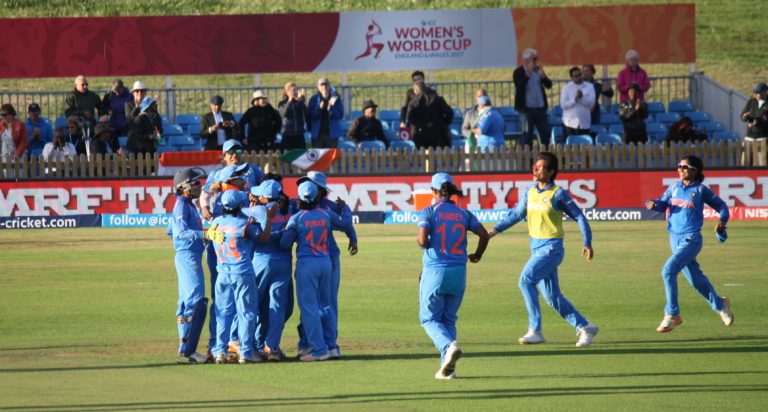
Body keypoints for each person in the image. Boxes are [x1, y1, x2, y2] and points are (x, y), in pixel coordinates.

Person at [489, 152, 599, 347]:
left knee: (525, 280)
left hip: (552, 248)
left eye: (540, 168)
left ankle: (535, 330)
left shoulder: (557, 194)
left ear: (551, 172)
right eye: (535, 166)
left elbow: (580, 217)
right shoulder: (530, 192)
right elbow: (515, 214)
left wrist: (587, 242)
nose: (535, 170)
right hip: (536, 248)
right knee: (552, 297)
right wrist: (495, 230)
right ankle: (585, 326)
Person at [645, 155, 733, 333]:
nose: (680, 169)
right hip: (674, 238)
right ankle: (720, 304)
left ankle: (672, 314)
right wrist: (652, 204)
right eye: (679, 166)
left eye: (685, 167)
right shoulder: (673, 187)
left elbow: (722, 206)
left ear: (695, 171)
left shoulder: (700, 190)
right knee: (695, 280)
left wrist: (722, 222)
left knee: (668, 270)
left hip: (691, 238)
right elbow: (662, 205)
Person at [416, 173, 489, 379]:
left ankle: (448, 347)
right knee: (448, 320)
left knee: (429, 319)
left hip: (435, 271)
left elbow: (422, 241)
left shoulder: (428, 211)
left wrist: (426, 243)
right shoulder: (463, 213)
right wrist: (477, 255)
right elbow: (484, 235)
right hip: (459, 272)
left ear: (434, 191)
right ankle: (448, 370)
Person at [279, 181, 354, 362]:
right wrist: (346, 209)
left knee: (309, 308)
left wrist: (286, 232)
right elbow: (345, 223)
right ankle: (331, 346)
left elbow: (284, 244)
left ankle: (318, 349)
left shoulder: (297, 218)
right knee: (326, 305)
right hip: (325, 262)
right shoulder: (326, 214)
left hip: (307, 263)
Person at [210, 190, 275, 364]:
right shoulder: (244, 224)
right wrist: (268, 219)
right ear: (239, 205)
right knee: (246, 313)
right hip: (242, 273)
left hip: (222, 274)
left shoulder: (216, 222)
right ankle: (246, 353)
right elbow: (264, 238)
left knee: (222, 314)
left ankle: (220, 352)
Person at [167, 167, 220, 364]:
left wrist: (200, 236)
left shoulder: (187, 205)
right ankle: (187, 351)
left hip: (189, 255)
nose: (199, 186)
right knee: (195, 301)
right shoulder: (182, 205)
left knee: (187, 302)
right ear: (184, 187)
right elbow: (180, 234)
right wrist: (204, 235)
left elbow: (170, 231)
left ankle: (185, 348)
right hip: (188, 257)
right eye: (195, 183)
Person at [243, 177, 294, 361]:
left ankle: (252, 345)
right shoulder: (288, 210)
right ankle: (272, 346)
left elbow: (232, 212)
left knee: (253, 304)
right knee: (277, 306)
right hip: (284, 263)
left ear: (265, 197)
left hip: (261, 262)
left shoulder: (257, 209)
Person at [513, 48, 552, 147]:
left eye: (535, 59)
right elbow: (519, 87)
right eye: (533, 59)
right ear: (526, 60)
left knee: (545, 135)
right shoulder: (518, 72)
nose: (535, 61)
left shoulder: (537, 70)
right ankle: (527, 160)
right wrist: (527, 75)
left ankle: (546, 158)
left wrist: (543, 77)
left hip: (540, 109)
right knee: (527, 137)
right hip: (527, 110)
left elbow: (549, 85)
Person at [407, 81, 453, 149]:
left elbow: (410, 118)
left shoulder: (413, 103)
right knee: (440, 156)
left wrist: (420, 125)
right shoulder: (438, 99)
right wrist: (445, 122)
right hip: (438, 132)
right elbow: (449, 113)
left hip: (421, 134)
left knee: (423, 156)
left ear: (416, 91)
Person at [560, 66, 596, 142]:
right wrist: (575, 99)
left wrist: (581, 98)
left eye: (580, 74)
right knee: (570, 150)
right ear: (572, 78)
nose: (579, 77)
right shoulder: (566, 87)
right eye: (576, 76)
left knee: (585, 149)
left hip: (584, 123)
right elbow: (563, 105)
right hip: (569, 123)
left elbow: (591, 104)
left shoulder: (589, 86)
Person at [308, 77, 344, 148]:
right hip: (317, 135)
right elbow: (310, 115)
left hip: (332, 135)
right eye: (322, 85)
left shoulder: (335, 98)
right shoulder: (314, 99)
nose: (324, 87)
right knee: (318, 158)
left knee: (333, 158)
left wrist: (331, 110)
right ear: (318, 87)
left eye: (326, 85)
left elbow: (340, 115)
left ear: (329, 86)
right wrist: (319, 109)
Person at [277, 82, 310, 150]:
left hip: (299, 134)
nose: (294, 92)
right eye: (292, 91)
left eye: (295, 90)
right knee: (287, 156)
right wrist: (289, 101)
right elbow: (283, 114)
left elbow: (306, 113)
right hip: (287, 134)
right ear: (287, 92)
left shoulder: (299, 102)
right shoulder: (282, 103)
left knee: (300, 156)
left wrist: (301, 102)